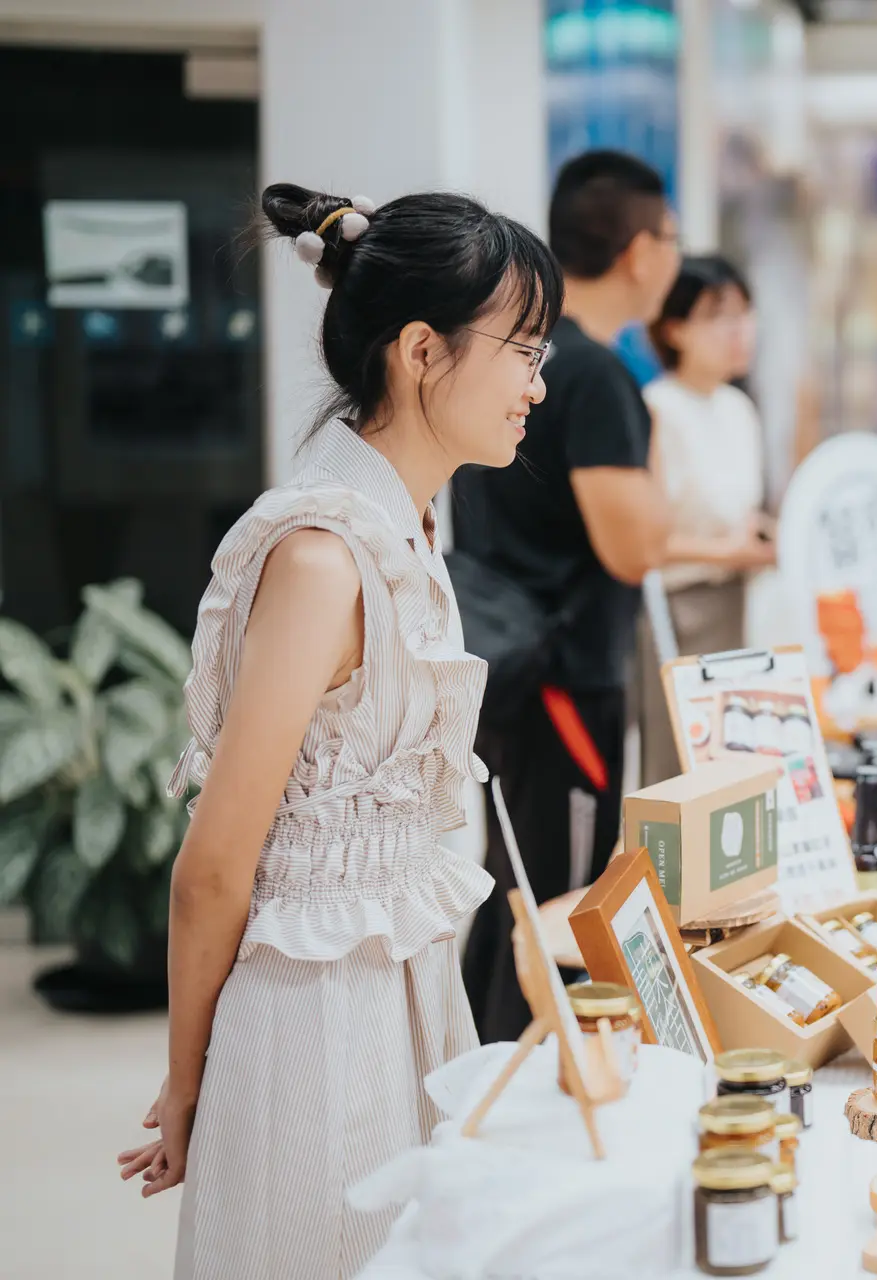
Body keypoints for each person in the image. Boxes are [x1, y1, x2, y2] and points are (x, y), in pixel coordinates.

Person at [114, 183, 561, 1278]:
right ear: (421, 349)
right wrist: (188, 1080)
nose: (537, 387)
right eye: (523, 350)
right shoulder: (321, 557)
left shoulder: (404, 521)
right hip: (314, 1029)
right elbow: (214, 866)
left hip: (406, 999)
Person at [455, 151, 678, 1041]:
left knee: (512, 881)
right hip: (565, 682)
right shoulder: (595, 376)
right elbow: (636, 547)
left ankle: (471, 1078)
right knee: (557, 902)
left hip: (500, 664)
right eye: (669, 239)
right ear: (639, 250)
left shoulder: (516, 359)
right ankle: (522, 1102)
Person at [635, 255, 776, 786]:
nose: (740, 330)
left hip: (737, 606)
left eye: (745, 313)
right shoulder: (657, 408)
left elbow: (737, 515)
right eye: (719, 315)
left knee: (729, 763)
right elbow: (647, 542)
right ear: (675, 329)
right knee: (678, 771)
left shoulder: (739, 409)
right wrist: (730, 554)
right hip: (677, 609)